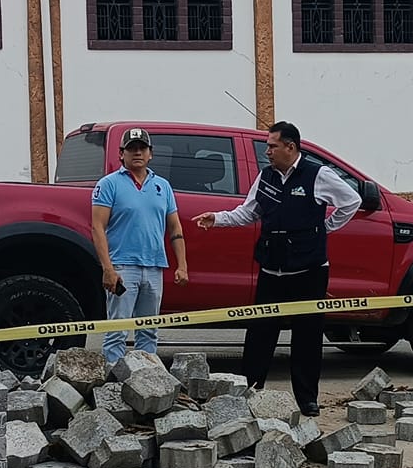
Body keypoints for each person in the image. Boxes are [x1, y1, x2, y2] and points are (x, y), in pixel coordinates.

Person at [194, 120, 360, 416]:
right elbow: (248, 212)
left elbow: (351, 201)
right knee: (260, 333)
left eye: (272, 146)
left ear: (290, 147)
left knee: (307, 337)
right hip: (272, 269)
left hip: (309, 271)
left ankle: (307, 399)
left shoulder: (317, 174)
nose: (267, 152)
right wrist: (217, 219)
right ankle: (250, 391)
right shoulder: (266, 176)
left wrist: (324, 228)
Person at [91, 127, 189, 365]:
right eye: (131, 148)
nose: (137, 153)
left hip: (154, 266)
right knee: (117, 331)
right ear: (121, 154)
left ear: (150, 153)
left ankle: (146, 376)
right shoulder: (109, 184)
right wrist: (108, 268)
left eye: (142, 148)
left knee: (149, 330)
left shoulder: (162, 186)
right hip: (123, 267)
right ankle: (114, 376)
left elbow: (175, 228)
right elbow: (97, 227)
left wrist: (182, 265)